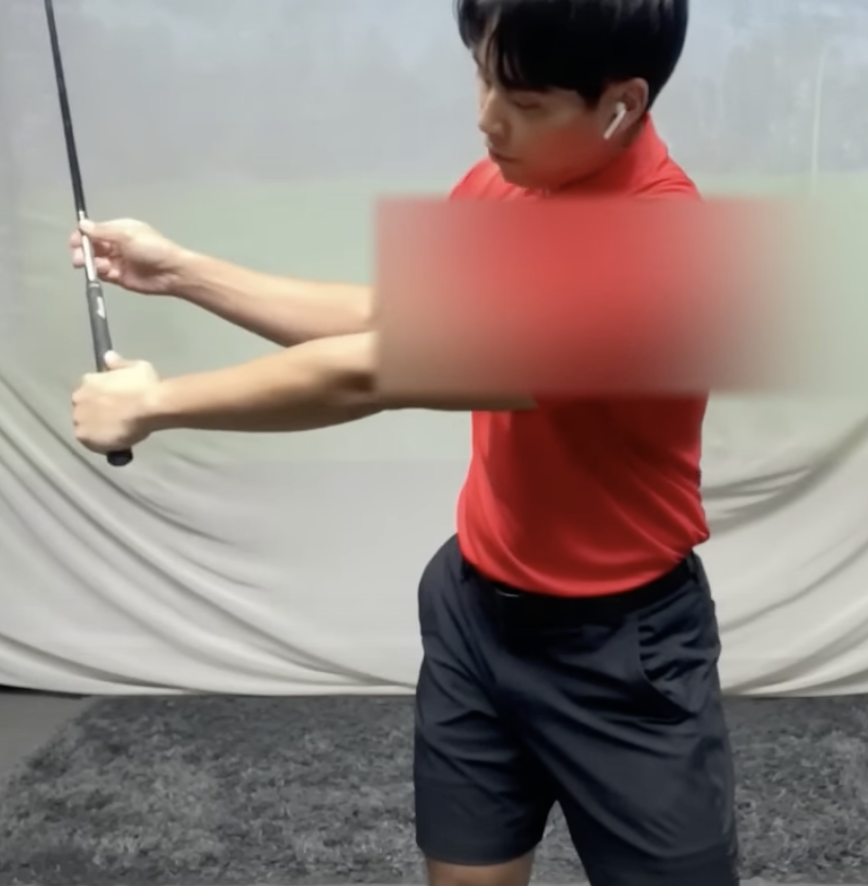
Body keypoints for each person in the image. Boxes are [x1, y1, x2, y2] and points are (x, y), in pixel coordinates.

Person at [69, 0, 738, 884]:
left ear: (623, 102)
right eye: (483, 76)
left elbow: (375, 373)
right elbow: (390, 318)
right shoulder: (505, 181)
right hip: (475, 613)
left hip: (624, 651)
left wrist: (156, 404)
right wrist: (184, 273)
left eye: (525, 102)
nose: (487, 119)